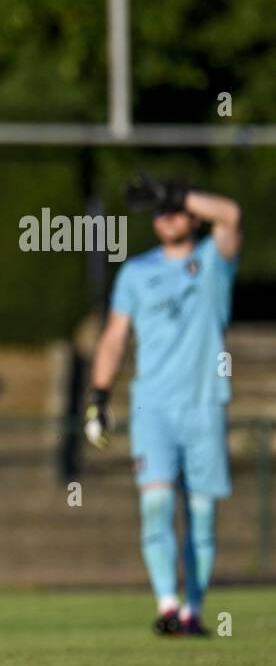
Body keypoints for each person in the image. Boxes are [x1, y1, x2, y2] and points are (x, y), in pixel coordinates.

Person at [85, 174, 241, 635]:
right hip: (151, 407)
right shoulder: (135, 272)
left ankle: (193, 610)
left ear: (194, 214)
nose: (168, 217)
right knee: (154, 505)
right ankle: (167, 604)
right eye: (160, 211)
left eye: (174, 209)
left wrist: (181, 194)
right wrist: (98, 394)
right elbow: (115, 336)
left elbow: (231, 214)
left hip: (205, 404)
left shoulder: (213, 261)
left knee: (202, 515)